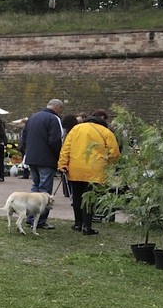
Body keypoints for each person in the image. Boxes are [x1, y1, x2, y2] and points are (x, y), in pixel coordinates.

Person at [57, 109, 120, 235]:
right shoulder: (106, 132)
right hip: (95, 170)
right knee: (89, 198)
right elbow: (114, 153)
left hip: (75, 169)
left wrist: (62, 165)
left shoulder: (76, 129)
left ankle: (78, 223)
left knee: (77, 197)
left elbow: (66, 148)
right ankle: (87, 226)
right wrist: (108, 164)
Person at [21, 98, 65, 229]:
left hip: (32, 157)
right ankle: (39, 220)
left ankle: (30, 216)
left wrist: (26, 152)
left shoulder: (32, 117)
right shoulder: (54, 119)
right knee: (45, 191)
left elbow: (24, 137)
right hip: (46, 159)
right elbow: (56, 140)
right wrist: (58, 157)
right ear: (58, 107)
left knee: (35, 188)